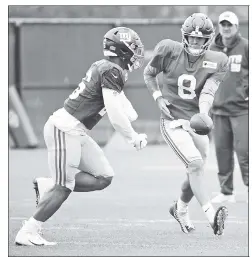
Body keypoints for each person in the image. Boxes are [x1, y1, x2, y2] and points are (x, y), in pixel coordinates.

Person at [15, 27, 147, 246]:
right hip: (64, 130)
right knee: (64, 187)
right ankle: (28, 231)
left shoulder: (108, 68)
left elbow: (120, 101)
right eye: (133, 48)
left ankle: (47, 184)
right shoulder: (111, 70)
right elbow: (115, 115)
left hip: (76, 132)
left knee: (103, 177)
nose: (136, 52)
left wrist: (131, 116)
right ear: (122, 49)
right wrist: (132, 136)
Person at [143, 13, 229, 235]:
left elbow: (208, 91)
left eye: (199, 39)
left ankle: (180, 209)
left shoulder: (218, 60)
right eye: (191, 37)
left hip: (195, 121)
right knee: (195, 165)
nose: (194, 41)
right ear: (184, 36)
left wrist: (202, 114)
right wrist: (157, 97)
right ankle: (212, 217)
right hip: (172, 120)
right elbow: (149, 73)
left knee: (195, 170)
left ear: (208, 40)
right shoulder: (168, 50)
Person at [210, 11, 249, 203]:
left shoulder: (246, 46)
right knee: (222, 151)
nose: (226, 28)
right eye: (223, 24)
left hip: (242, 109)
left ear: (236, 27)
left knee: (244, 152)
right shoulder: (212, 49)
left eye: (229, 25)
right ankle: (226, 192)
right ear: (219, 26)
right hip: (218, 109)